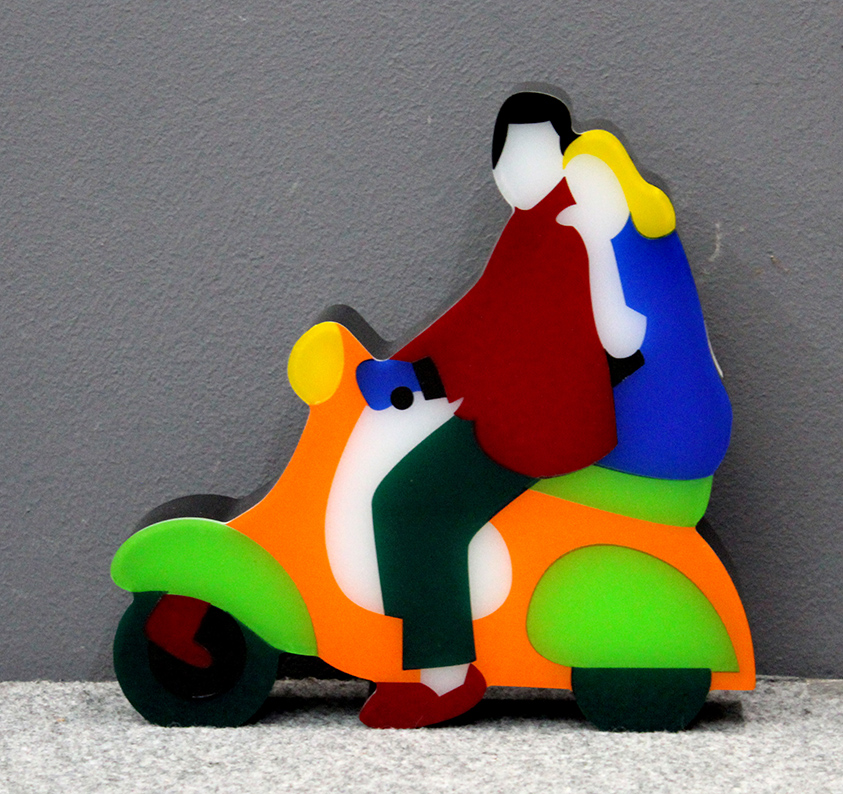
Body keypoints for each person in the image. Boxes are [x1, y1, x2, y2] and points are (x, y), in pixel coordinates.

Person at [357, 92, 648, 729]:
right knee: (403, 497)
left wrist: (420, 377)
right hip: (527, 412)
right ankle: (420, 656)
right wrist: (405, 362)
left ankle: (444, 677)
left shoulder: (563, 230)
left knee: (409, 506)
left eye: (535, 151)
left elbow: (511, 345)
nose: (519, 168)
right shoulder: (534, 224)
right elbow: (483, 310)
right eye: (509, 154)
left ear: (563, 154)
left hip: (541, 427)